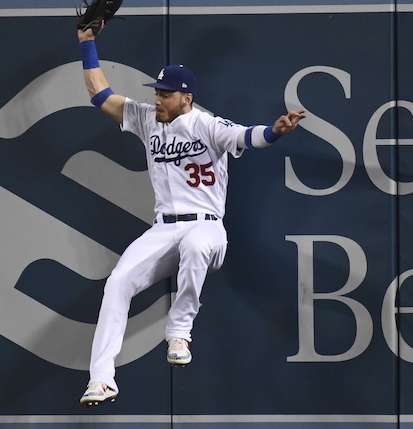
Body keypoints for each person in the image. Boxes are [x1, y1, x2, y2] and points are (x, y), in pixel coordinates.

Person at [76, 25, 305, 406]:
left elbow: (250, 136)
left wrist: (276, 131)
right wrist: (87, 42)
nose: (158, 100)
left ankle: (179, 330)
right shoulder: (149, 118)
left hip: (207, 229)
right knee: (117, 283)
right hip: (163, 230)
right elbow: (100, 94)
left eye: (166, 95)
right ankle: (101, 379)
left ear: (187, 98)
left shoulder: (207, 124)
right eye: (157, 93)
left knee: (197, 246)